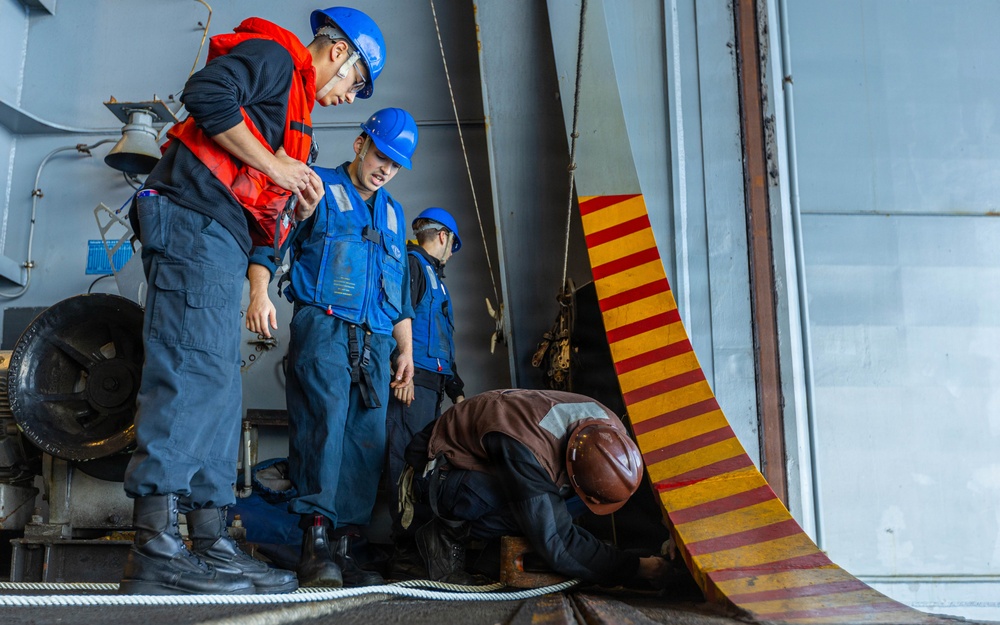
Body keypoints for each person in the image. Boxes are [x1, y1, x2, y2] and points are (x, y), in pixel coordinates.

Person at [120, 7, 387, 596]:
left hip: (220, 235)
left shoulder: (297, 113)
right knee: (191, 371)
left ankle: (211, 539)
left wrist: (295, 197)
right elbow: (206, 92)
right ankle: (155, 546)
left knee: (219, 385)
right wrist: (277, 166)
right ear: (339, 53)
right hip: (192, 218)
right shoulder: (275, 59)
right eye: (357, 82)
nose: (351, 96)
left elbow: (264, 203)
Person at [246, 107, 419, 588]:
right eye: (382, 155)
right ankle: (315, 544)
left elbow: (398, 290)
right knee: (323, 425)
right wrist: (259, 292)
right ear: (361, 143)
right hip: (323, 328)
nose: (386, 168)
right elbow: (270, 239)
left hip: (377, 343)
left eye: (396, 164)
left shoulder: (392, 211)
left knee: (367, 441)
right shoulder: (315, 186)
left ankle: (344, 547)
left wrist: (404, 350)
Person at [402, 389, 669, 586]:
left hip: (488, 457)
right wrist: (637, 568)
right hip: (437, 473)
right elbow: (558, 544)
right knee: (538, 516)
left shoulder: (609, 431)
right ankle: (444, 534)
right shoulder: (528, 450)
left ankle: (488, 563)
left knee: (549, 508)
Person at [384, 208, 465, 578]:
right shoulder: (414, 268)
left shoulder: (436, 278)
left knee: (423, 468)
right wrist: (403, 375)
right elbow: (397, 323)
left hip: (432, 387)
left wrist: (457, 392)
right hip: (411, 386)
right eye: (452, 245)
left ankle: (419, 551)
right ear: (444, 237)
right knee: (403, 464)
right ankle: (403, 553)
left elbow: (441, 344)